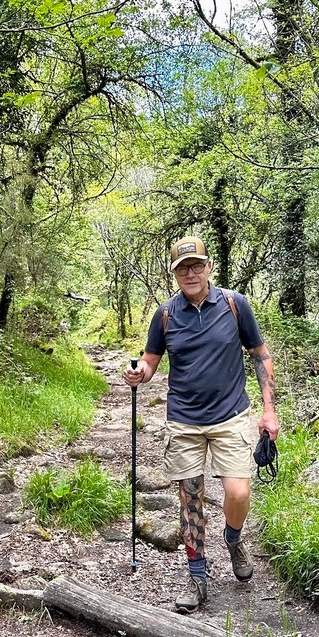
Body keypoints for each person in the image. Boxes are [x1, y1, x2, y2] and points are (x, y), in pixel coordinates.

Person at [124, 236, 280, 613]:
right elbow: (150, 361)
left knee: (238, 493)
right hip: (184, 420)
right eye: (182, 268)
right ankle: (197, 577)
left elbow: (260, 355)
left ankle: (233, 538)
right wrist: (139, 372)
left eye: (196, 265)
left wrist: (269, 410)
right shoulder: (165, 314)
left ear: (209, 267)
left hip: (231, 415)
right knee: (190, 499)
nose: (190, 273)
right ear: (174, 274)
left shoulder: (234, 304)